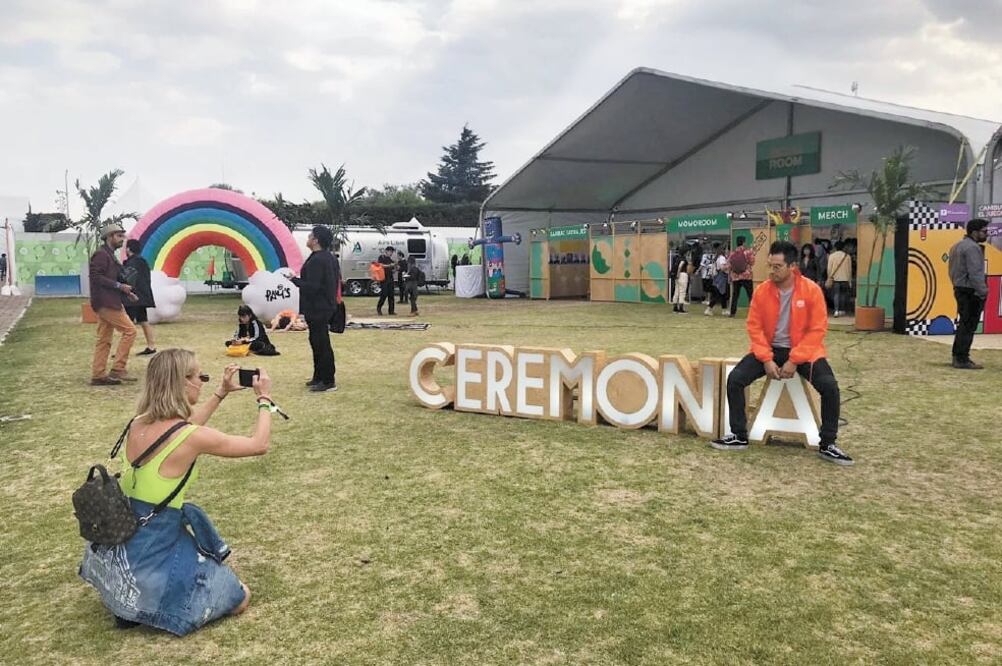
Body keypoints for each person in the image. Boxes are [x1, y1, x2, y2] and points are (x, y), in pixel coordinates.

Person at [79, 349, 273, 635]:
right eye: (199, 377)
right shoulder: (190, 437)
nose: (202, 382)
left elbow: (181, 431)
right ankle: (148, 601)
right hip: (155, 545)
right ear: (182, 383)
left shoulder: (137, 422)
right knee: (239, 596)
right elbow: (258, 444)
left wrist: (221, 393)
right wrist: (264, 399)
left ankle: (130, 602)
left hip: (122, 541)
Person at [711, 241, 853, 465]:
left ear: (792, 266)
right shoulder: (762, 291)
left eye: (777, 266)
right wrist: (766, 359)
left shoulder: (811, 290)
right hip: (770, 349)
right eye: (769, 265)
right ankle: (738, 435)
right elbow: (754, 328)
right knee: (735, 379)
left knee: (830, 387)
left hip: (804, 351)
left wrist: (794, 360)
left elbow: (817, 330)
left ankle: (828, 443)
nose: (771, 271)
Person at [288, 225, 339, 391]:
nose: (308, 238)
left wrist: (294, 280)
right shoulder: (328, 257)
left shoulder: (318, 260)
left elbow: (313, 286)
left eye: (310, 236)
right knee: (317, 342)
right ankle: (319, 376)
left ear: (316, 240)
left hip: (318, 307)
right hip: (323, 306)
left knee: (321, 344)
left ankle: (328, 380)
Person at [89, 223, 138, 386]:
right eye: (119, 236)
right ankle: (118, 369)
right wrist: (120, 286)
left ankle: (98, 375)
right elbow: (96, 277)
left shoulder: (109, 255)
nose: (122, 239)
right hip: (106, 302)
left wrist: (127, 292)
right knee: (130, 331)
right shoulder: (101, 255)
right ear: (109, 237)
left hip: (108, 300)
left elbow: (113, 279)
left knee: (104, 339)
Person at [948, 218, 990, 369]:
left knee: (964, 325)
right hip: (971, 292)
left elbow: (951, 270)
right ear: (974, 232)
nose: (987, 234)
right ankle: (962, 358)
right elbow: (975, 273)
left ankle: (958, 356)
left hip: (960, 289)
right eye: (984, 231)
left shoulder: (956, 246)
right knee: (969, 326)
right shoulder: (973, 248)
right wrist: (983, 291)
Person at [123, 239, 157, 356]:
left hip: (133, 297)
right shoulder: (143, 261)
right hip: (142, 296)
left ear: (128, 249)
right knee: (143, 320)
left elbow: (128, 279)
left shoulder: (131, 262)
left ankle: (123, 350)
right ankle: (151, 346)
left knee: (127, 325)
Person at [727, 235, 755, 318]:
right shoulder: (747, 252)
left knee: (735, 295)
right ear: (743, 242)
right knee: (750, 295)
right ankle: (753, 313)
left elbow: (729, 265)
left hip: (735, 276)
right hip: (746, 276)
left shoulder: (732, 253)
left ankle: (732, 313)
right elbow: (752, 262)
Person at [826, 241, 852, 317]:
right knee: (843, 295)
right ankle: (841, 310)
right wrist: (849, 280)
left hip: (835, 279)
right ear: (843, 247)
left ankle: (836, 310)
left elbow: (829, 268)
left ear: (835, 247)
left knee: (836, 295)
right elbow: (849, 269)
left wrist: (829, 277)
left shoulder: (832, 256)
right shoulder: (847, 256)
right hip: (845, 278)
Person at [706, 243, 729, 316]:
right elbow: (722, 268)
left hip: (717, 277)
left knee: (723, 294)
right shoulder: (722, 258)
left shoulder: (717, 257)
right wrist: (728, 266)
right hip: (721, 277)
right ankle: (709, 309)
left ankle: (724, 310)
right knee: (718, 294)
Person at [376, 245, 396, 316]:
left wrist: (395, 268)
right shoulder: (381, 257)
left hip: (390, 278)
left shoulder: (390, 259)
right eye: (390, 252)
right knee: (384, 294)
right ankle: (379, 308)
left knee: (391, 295)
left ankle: (391, 311)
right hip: (384, 279)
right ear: (386, 251)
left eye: (392, 252)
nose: (391, 253)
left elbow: (393, 270)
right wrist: (389, 265)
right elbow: (380, 265)